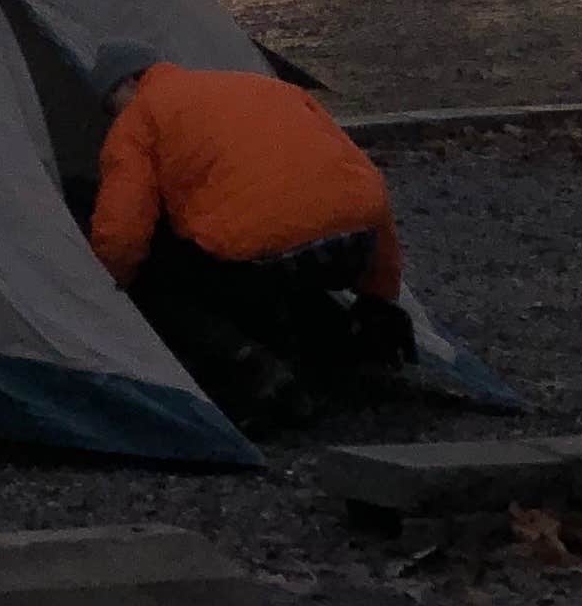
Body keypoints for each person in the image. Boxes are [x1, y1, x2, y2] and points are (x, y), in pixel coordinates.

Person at [84, 41, 414, 431]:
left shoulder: (138, 118)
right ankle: (345, 353)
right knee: (278, 240)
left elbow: (122, 232)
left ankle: (253, 369)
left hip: (267, 258)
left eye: (111, 105)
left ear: (128, 83)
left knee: (154, 275)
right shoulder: (267, 88)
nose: (114, 116)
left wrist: (107, 292)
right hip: (354, 241)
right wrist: (379, 293)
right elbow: (364, 181)